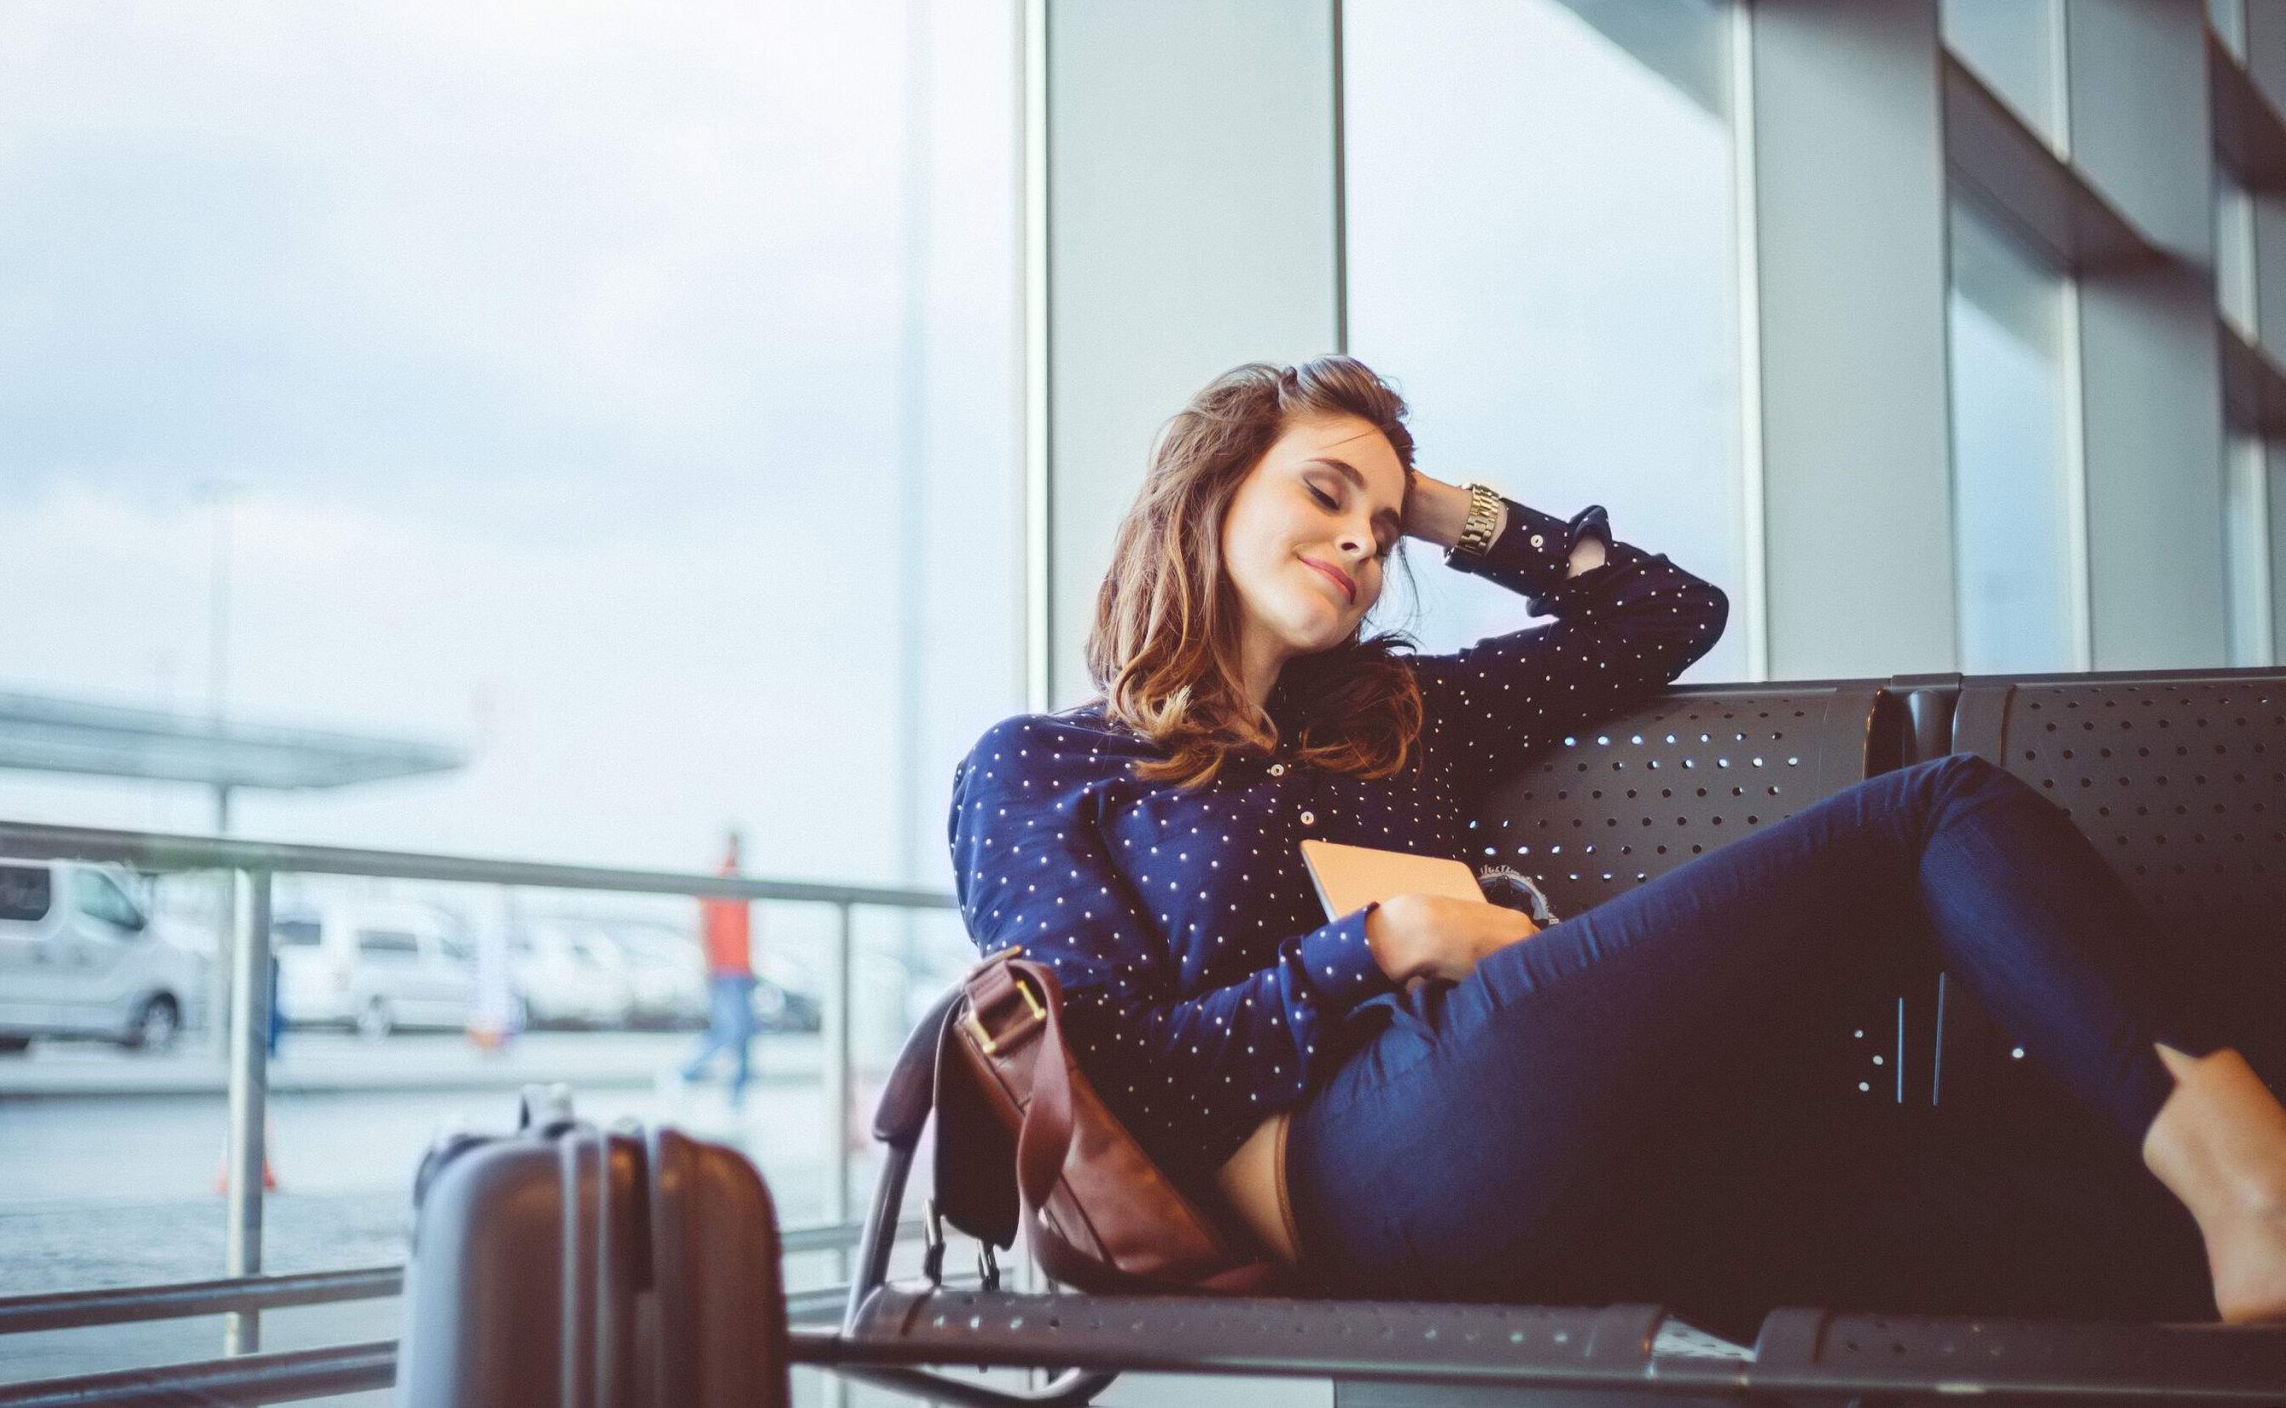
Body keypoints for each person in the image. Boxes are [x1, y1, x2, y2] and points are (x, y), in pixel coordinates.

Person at [950, 357, 2286, 1338]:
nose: (1363, 539)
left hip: (1560, 1145)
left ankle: (2230, 1201)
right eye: (1325, 490)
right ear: (1210, 485)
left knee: (2093, 1221)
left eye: (1382, 515)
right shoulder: (1046, 766)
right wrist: (1381, 943)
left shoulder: (1407, 719)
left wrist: (1448, 509)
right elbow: (1117, 1070)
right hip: (1341, 1167)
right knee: (1940, 812)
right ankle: (2255, 1181)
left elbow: (1664, 612)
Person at [675, 829, 756, 1110]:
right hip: (723, 970)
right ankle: (684, 1071)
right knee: (730, 1031)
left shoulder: (742, 883)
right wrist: (706, 962)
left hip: (743, 969)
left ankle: (737, 1099)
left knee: (745, 1036)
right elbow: (700, 923)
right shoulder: (716, 880)